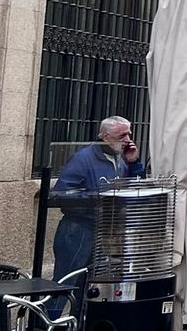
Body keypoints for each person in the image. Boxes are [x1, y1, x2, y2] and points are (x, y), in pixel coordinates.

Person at [52, 116, 146, 281]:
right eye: (122, 136)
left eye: (129, 134)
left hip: (105, 231)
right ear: (106, 137)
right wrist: (99, 199)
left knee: (92, 286)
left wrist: (134, 163)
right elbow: (62, 193)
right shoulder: (83, 159)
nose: (128, 140)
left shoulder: (120, 159)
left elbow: (134, 188)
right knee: (66, 282)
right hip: (79, 228)